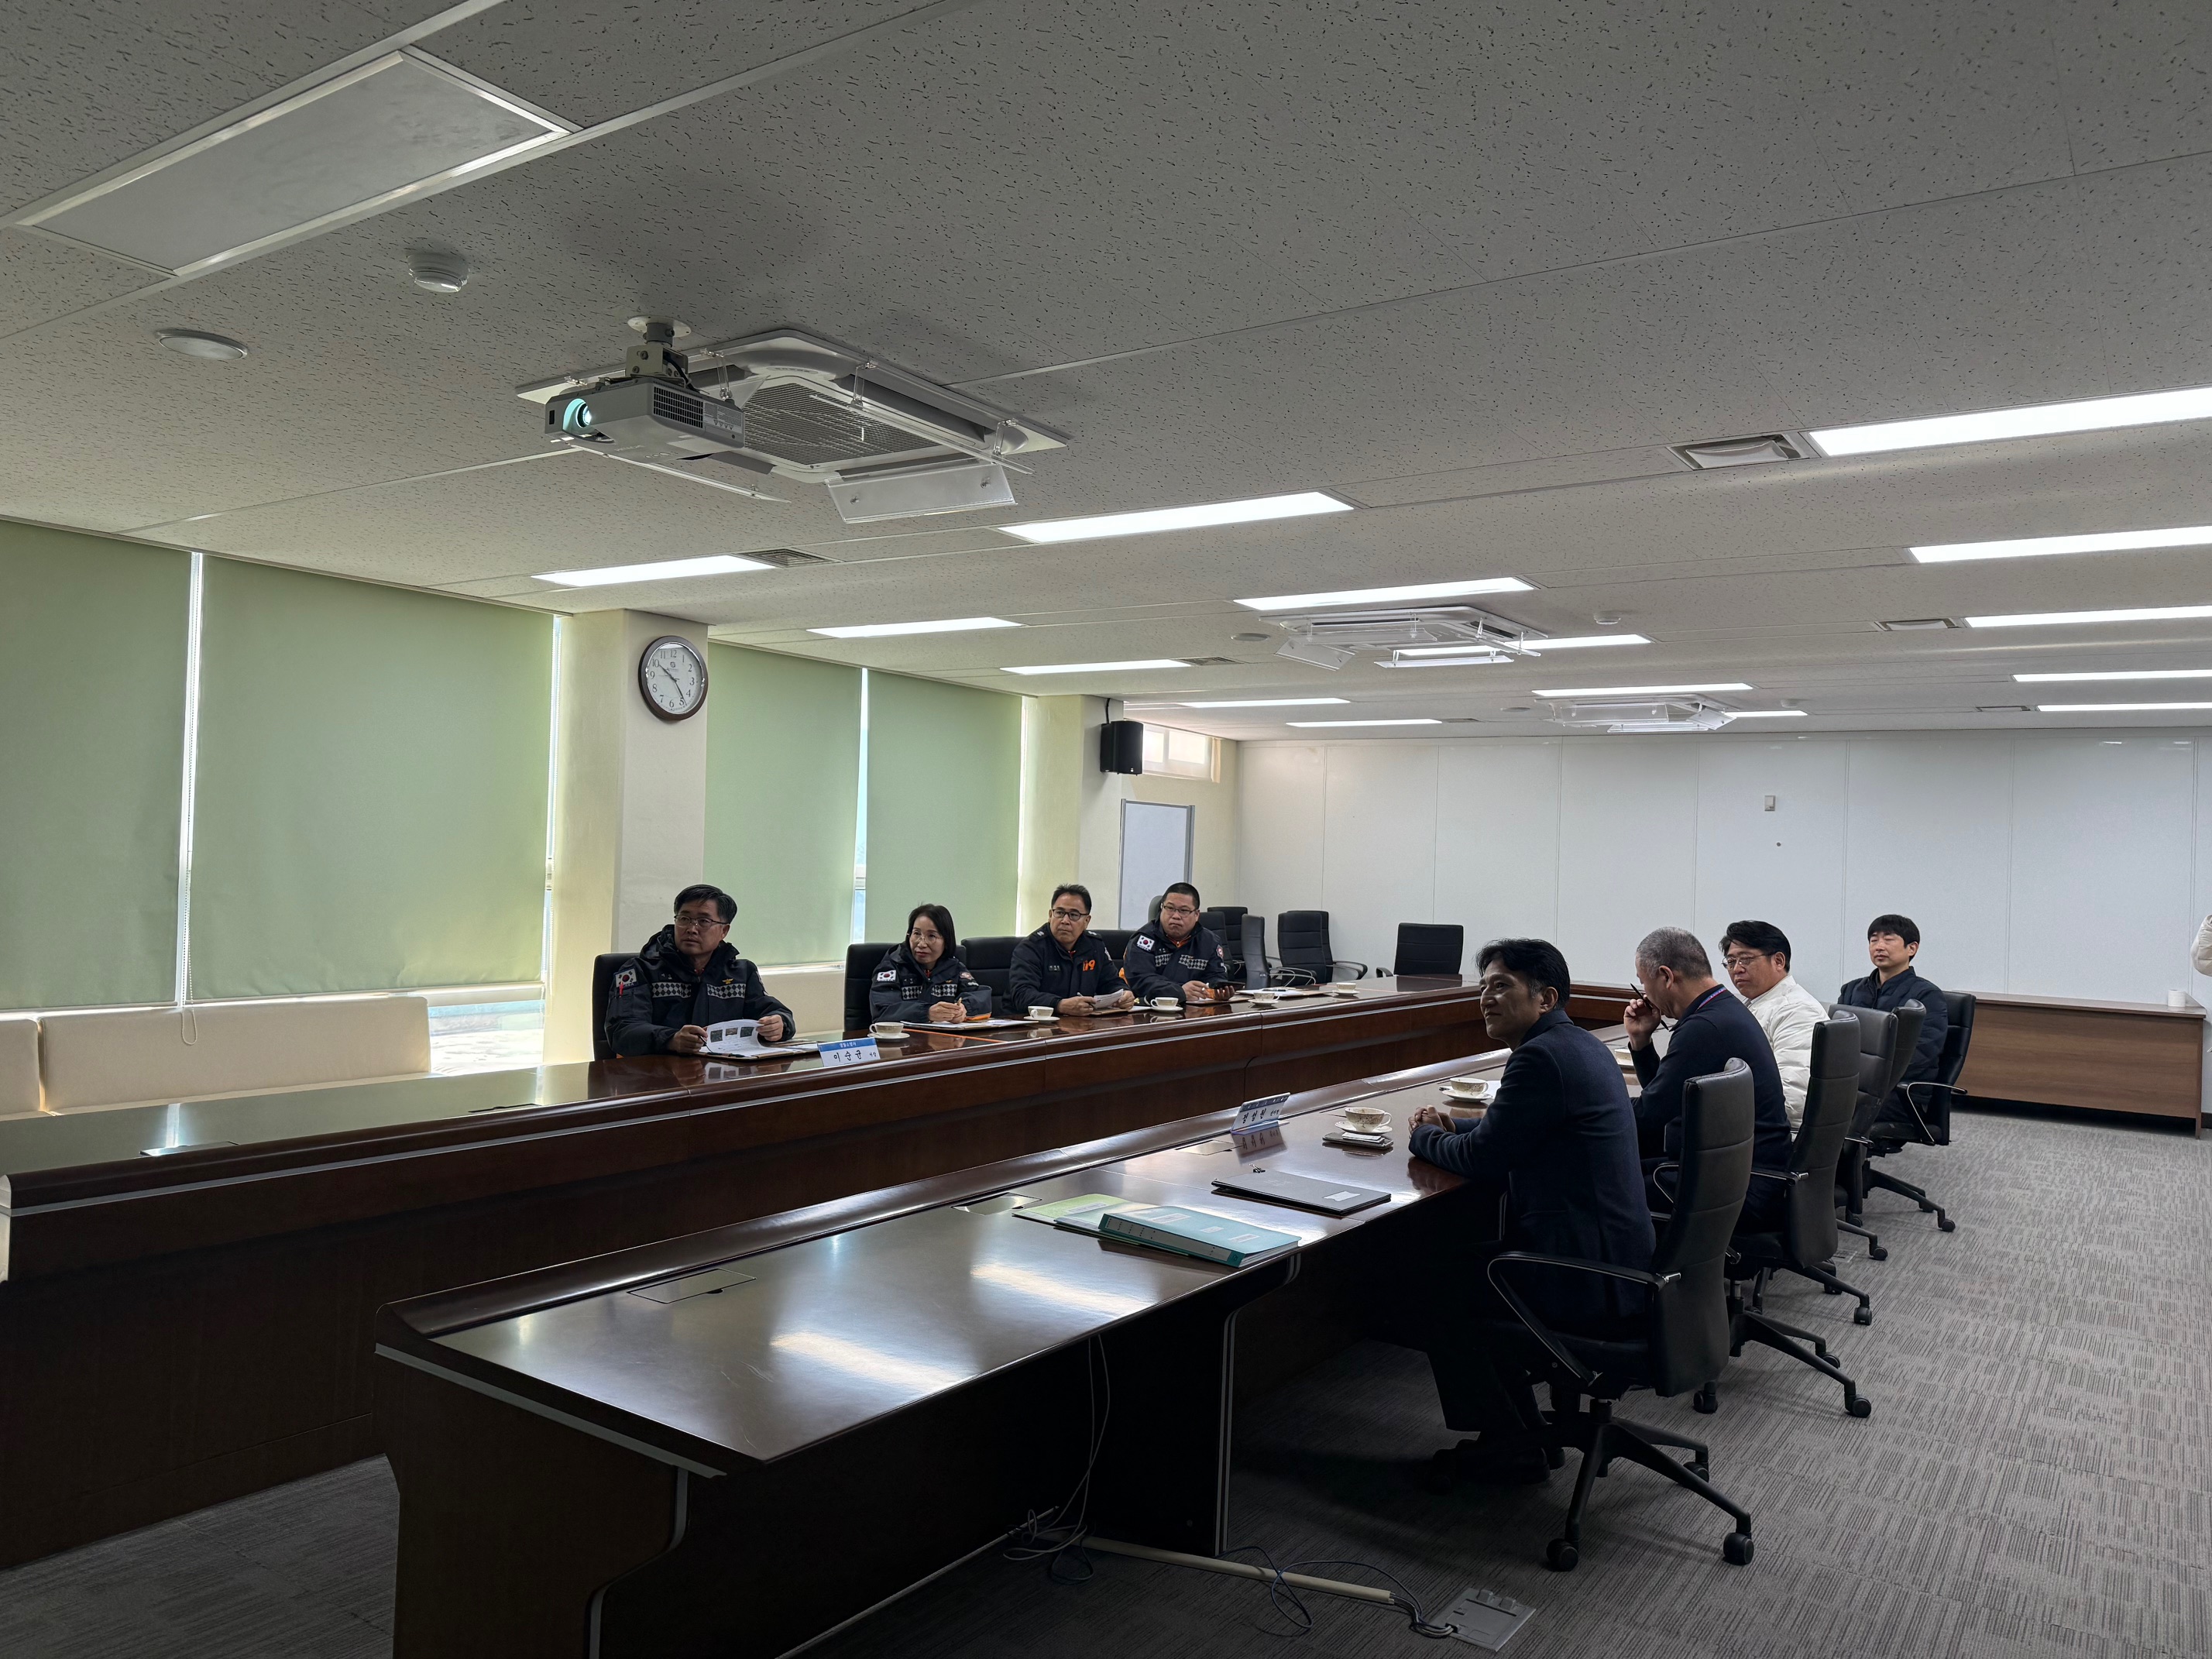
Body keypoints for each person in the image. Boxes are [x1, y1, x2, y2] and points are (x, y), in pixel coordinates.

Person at [1403, 937, 1654, 1484]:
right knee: (1456, 1265)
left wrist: (1424, 1137)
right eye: (1483, 987)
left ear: (1545, 998)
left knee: (1440, 1280)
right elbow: (1516, 1128)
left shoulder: (1540, 1058)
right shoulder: (1577, 1044)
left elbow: (1484, 1158)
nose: (1486, 999)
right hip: (1617, 1258)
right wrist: (1454, 1125)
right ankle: (1521, 1434)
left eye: (1502, 986)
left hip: (1584, 1274)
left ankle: (1510, 1443)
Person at [1625, 926, 1792, 1228]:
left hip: (1739, 1187)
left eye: (1644, 983)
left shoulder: (1705, 1028)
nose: (1646, 995)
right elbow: (1666, 1100)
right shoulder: (1721, 1009)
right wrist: (1641, 1042)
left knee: (1595, 1186)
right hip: (1744, 1174)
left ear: (1666, 976)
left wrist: (1590, 1116)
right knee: (1619, 1165)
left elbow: (1651, 1114)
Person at [604, 884, 795, 1056]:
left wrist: (780, 1024)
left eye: (704, 921)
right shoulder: (639, 970)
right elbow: (623, 1030)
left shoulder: (742, 973)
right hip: (658, 1074)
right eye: (684, 919)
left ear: (724, 931)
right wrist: (671, 1040)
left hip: (722, 1073)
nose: (691, 929)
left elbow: (773, 1011)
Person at [1719, 919, 1829, 1128]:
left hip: (1776, 1135)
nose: (1737, 969)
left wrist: (1718, 1106)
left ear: (1778, 961)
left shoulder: (1796, 1010)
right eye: (1731, 962)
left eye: (1746, 959)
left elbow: (1793, 1100)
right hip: (1755, 1124)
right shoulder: (1759, 1002)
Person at [1836, 913, 1949, 1102]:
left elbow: (1923, 1053)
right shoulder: (1852, 990)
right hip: (1852, 1082)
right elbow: (1836, 1040)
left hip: (1899, 1090)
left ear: (1912, 948)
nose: (1879, 946)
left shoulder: (1927, 996)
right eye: (1874, 941)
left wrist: (1870, 1076)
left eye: (1888, 940)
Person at [1009, 884, 1135, 1015]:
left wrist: (1124, 993)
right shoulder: (1031, 947)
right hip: (1029, 1022)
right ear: (1050, 915)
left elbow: (1111, 982)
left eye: (1074, 915)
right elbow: (1021, 995)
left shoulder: (1095, 946)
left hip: (1078, 1021)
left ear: (1087, 921)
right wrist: (1059, 1005)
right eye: (1059, 913)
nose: (1065, 921)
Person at [870, 904, 992, 1025]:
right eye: (917, 934)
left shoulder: (954, 967)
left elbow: (981, 997)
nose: (921, 944)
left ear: (947, 941)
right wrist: (926, 1012)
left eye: (931, 936)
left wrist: (963, 1009)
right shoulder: (891, 967)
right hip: (905, 1037)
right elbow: (883, 1012)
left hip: (944, 1037)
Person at [1121, 883, 1233, 1003]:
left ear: (1196, 915)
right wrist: (1179, 992)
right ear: (1162, 908)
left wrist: (1218, 991)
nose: (1175, 916)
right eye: (1170, 908)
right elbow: (1141, 981)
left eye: (1184, 911)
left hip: (1194, 1008)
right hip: (1147, 1007)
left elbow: (1215, 976)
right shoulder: (1143, 941)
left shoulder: (1209, 941)